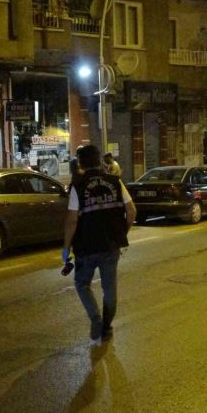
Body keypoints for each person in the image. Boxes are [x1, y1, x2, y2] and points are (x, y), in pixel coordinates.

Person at [62, 145, 137, 345]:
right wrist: (122, 233)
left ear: (81, 163)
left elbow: (72, 221)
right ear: (99, 161)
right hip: (111, 246)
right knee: (109, 289)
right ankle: (107, 327)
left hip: (86, 247)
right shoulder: (115, 181)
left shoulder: (78, 186)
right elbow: (131, 211)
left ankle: (95, 318)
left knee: (82, 283)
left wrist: (66, 247)